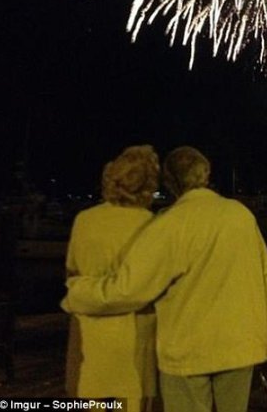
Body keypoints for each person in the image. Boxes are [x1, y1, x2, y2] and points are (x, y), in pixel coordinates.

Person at [63, 146, 267, 412]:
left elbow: (130, 289)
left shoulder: (171, 224)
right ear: (206, 175)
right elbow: (264, 275)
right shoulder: (241, 215)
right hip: (240, 345)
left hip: (188, 351)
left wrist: (80, 292)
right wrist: (261, 336)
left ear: (171, 183)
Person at [65, 145, 159, 412]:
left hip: (90, 326)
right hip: (134, 328)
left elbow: (73, 270)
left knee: (89, 393)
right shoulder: (150, 224)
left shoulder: (84, 220)